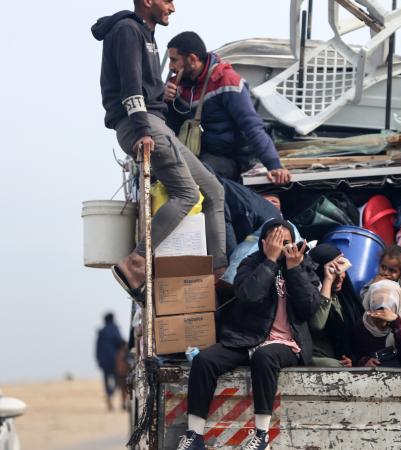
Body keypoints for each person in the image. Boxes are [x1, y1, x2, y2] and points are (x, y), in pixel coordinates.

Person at [92, 1, 228, 297]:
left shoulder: (147, 34)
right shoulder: (127, 30)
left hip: (155, 122)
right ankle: (136, 262)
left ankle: (219, 272)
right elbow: (130, 86)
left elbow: (142, 87)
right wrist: (142, 129)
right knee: (187, 193)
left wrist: (163, 96)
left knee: (214, 190)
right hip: (140, 124)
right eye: (167, 1)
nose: (173, 7)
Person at [177, 218, 320, 450]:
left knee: (265, 356)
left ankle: (261, 434)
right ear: (264, 243)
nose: (280, 246)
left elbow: (308, 310)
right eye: (274, 241)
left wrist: (294, 270)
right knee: (204, 361)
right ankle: (194, 435)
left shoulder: (303, 266)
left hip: (286, 342)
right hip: (247, 337)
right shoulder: (250, 263)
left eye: (285, 242)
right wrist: (270, 261)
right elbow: (249, 296)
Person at [164, 31, 291, 184]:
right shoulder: (177, 85)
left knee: (197, 172)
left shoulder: (227, 81)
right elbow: (169, 126)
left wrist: (274, 165)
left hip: (228, 159)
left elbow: (252, 126)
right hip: (196, 152)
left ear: (192, 59)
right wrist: (165, 100)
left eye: (174, 60)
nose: (171, 66)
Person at [308, 244, 363, 367]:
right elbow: (317, 324)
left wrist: (354, 359)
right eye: (333, 269)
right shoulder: (309, 296)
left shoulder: (345, 297)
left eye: (342, 268)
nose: (339, 277)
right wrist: (328, 280)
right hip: (318, 357)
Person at [354, 280, 401, 368]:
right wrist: (364, 361)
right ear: (370, 306)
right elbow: (354, 354)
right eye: (378, 315)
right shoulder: (362, 325)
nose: (383, 323)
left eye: (387, 313)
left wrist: (397, 323)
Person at [95, 313, 125, 411]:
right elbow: (120, 342)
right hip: (115, 360)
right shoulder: (115, 329)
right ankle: (111, 394)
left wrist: (98, 360)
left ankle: (109, 397)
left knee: (106, 380)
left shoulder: (101, 332)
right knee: (117, 381)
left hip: (104, 360)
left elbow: (97, 348)